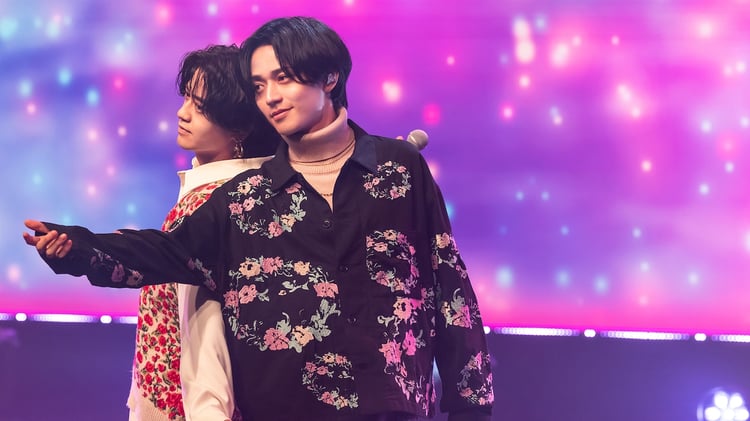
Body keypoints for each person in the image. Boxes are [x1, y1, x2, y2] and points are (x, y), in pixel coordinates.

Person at [24, 16, 493, 421]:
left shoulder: (398, 169)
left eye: (283, 79)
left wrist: (471, 405)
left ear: (330, 77)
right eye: (259, 86)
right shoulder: (244, 198)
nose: (270, 97)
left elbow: (448, 286)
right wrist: (77, 246)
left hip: (391, 406)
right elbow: (163, 253)